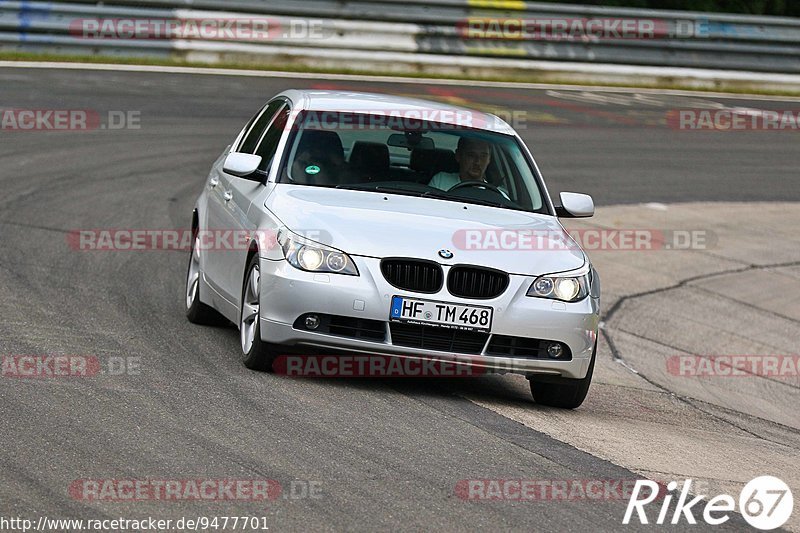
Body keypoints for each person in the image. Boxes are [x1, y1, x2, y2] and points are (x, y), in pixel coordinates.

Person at [428, 136, 493, 191]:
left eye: (483, 156)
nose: (477, 162)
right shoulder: (440, 181)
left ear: (489, 160)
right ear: (458, 156)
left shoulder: (496, 195)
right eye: (471, 155)